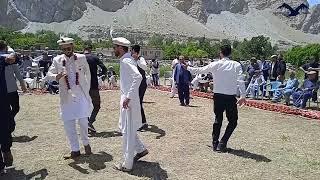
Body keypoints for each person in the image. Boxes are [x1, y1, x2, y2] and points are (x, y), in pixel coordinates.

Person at [186, 45, 246, 152]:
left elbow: (200, 70)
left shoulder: (216, 64)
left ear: (220, 53)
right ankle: (222, 143)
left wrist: (188, 67)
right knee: (233, 121)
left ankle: (215, 143)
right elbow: (241, 80)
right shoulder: (236, 65)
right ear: (230, 53)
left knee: (218, 119)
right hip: (230, 97)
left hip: (218, 96)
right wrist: (243, 96)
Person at [47, 37, 93, 159]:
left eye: (69, 48)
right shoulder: (57, 60)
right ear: (61, 49)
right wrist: (57, 76)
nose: (67, 50)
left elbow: (88, 73)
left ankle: (86, 143)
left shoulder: (82, 58)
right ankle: (75, 149)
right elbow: (48, 75)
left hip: (80, 93)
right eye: (64, 49)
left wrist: (87, 88)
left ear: (73, 46)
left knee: (83, 121)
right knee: (68, 123)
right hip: (66, 95)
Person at [112, 37, 148, 172]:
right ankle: (141, 149)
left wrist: (128, 96)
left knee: (127, 132)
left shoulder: (127, 60)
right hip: (128, 100)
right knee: (126, 128)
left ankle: (127, 164)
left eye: (115, 47)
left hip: (129, 102)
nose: (114, 50)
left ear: (121, 48)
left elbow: (138, 77)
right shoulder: (126, 59)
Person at [0, 43, 27, 125]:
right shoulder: (10, 58)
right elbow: (17, 73)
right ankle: (9, 123)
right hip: (11, 88)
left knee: (6, 109)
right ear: (5, 48)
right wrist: (23, 85)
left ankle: (7, 122)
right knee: (15, 108)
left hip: (4, 89)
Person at [84, 44, 107, 133]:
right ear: (90, 49)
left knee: (84, 106)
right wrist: (101, 75)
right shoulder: (94, 58)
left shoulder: (78, 58)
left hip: (82, 86)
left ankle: (86, 123)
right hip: (93, 85)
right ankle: (89, 123)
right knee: (96, 105)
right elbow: (104, 68)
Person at [0, 51, 16, 173]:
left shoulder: (1, 59)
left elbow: (14, 58)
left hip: (2, 103)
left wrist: (10, 57)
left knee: (5, 128)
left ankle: (6, 151)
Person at [131, 45, 149, 131]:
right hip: (135, 84)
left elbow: (145, 67)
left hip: (141, 84)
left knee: (138, 102)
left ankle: (143, 122)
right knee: (135, 102)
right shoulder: (131, 59)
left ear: (136, 52)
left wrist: (137, 60)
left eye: (133, 51)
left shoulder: (141, 59)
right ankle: (139, 121)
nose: (131, 53)